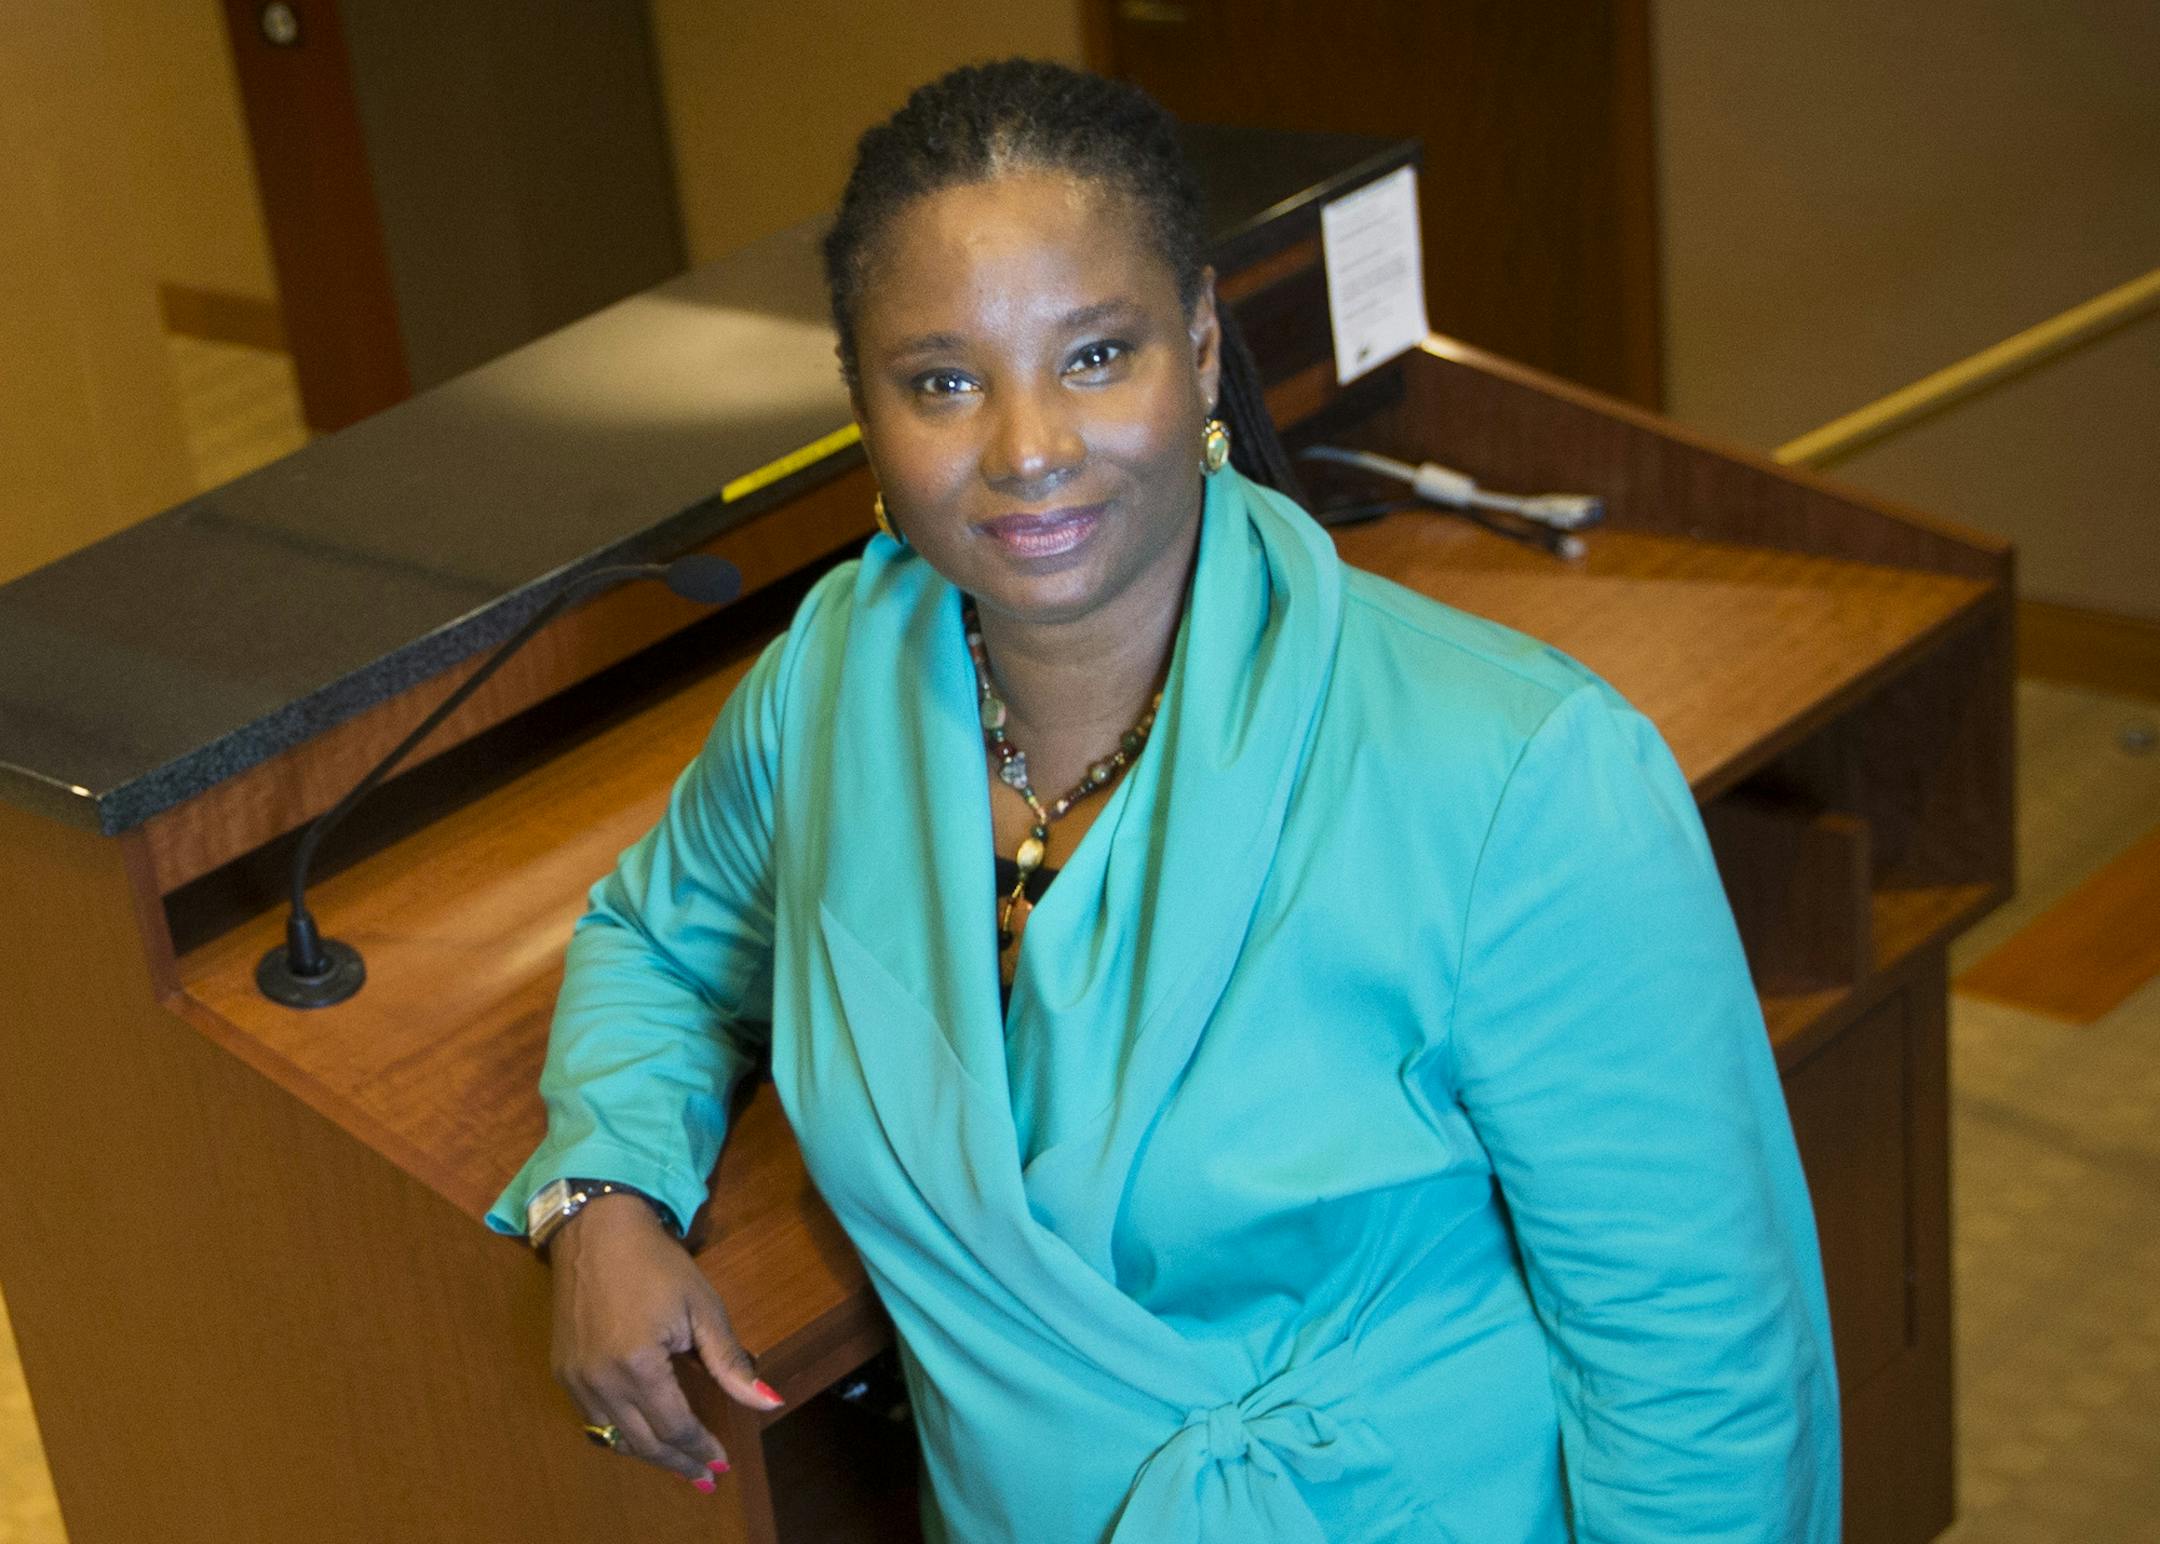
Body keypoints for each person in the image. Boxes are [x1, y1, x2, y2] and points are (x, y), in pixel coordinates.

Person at [488, 58, 1840, 1541]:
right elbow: (659, 942)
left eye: (1093, 356)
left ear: (1200, 345)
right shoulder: (828, 690)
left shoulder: (1521, 769)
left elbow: (1698, 1370)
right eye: (944, 380)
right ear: (861, 407)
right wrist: (603, 1194)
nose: (1026, 451)